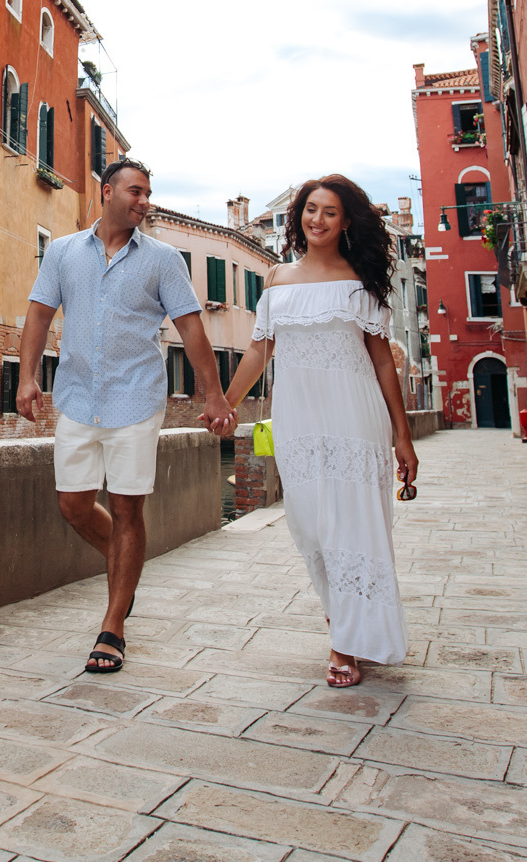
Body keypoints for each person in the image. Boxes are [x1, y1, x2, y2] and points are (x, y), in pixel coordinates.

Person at [18, 158, 233, 674]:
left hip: (136, 399)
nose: (145, 201)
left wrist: (214, 395)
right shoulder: (64, 252)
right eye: (136, 192)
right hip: (76, 398)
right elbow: (39, 315)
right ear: (107, 191)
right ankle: (126, 574)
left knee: (128, 511)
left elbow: (191, 327)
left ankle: (113, 625)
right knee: (72, 505)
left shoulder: (162, 260)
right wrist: (28, 377)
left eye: (149, 194)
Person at [221, 175, 418, 687]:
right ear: (298, 216)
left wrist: (402, 435)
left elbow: (382, 364)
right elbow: (261, 350)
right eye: (311, 209)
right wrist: (227, 404)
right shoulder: (277, 280)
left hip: (354, 415)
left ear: (345, 221)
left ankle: (344, 646)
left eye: (330, 212)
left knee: (352, 528)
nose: (318, 219)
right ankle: (346, 618)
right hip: (298, 420)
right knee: (310, 527)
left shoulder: (362, 282)